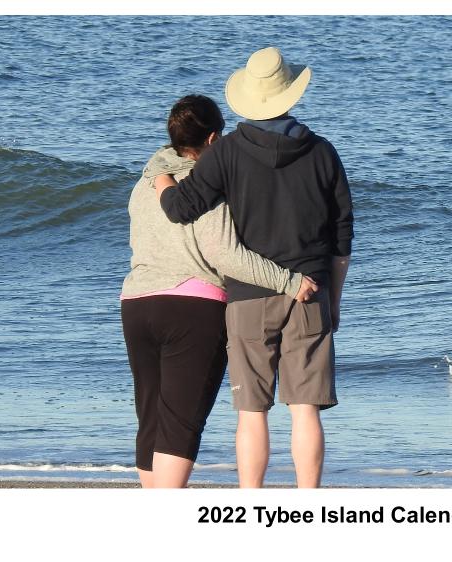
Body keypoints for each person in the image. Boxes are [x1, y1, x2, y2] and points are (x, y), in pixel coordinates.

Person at [152, 47, 352, 488]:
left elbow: (182, 209)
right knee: (305, 409)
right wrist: (333, 301)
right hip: (311, 289)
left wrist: (162, 181)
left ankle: (250, 502)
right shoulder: (322, 152)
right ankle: (308, 502)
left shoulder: (227, 153)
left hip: (247, 294)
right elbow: (341, 238)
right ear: (290, 96)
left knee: (251, 410)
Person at [121, 94, 318, 488]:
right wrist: (289, 281)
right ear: (214, 139)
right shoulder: (207, 185)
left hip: (136, 303)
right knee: (180, 422)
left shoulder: (146, 182)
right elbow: (225, 255)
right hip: (192, 308)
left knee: (151, 418)